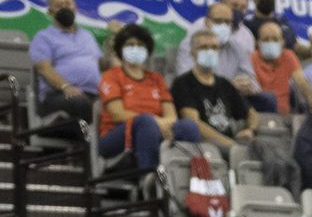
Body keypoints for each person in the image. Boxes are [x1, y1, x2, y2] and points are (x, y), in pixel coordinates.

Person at [97, 24, 201, 171]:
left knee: (190, 127)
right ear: (121, 49)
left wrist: (162, 124)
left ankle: (191, 179)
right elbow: (117, 114)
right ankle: (148, 177)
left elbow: (171, 115)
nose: (135, 48)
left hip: (154, 129)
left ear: (147, 50)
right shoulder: (112, 76)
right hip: (115, 136)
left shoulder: (156, 79)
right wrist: (154, 121)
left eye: (140, 45)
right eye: (130, 45)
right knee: (145, 122)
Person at [172, 28, 259, 159]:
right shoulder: (183, 83)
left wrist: (250, 130)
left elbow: (252, 114)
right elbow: (194, 123)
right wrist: (231, 145)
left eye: (214, 48)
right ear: (192, 52)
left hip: (230, 145)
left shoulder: (225, 84)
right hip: (204, 147)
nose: (210, 52)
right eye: (204, 47)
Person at [30, 0, 101, 124]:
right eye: (59, 5)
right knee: (82, 104)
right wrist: (65, 86)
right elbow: (44, 68)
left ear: (75, 7)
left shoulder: (87, 36)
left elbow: (100, 63)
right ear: (50, 12)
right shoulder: (43, 37)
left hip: (93, 94)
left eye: (67, 4)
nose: (64, 8)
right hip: (59, 95)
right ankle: (92, 143)